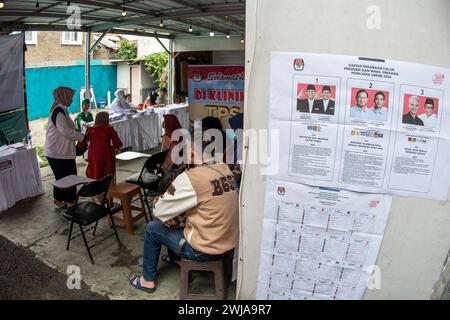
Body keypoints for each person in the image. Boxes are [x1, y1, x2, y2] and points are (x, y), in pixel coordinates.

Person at [128, 138, 239, 293]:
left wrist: (159, 200)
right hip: (229, 243)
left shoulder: (191, 178)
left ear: (192, 152)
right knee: (184, 217)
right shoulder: (224, 169)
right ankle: (176, 258)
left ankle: (147, 280)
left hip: (204, 250)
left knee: (153, 228)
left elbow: (159, 211)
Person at [44, 86, 85, 209]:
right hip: (56, 153)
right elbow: (65, 131)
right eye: (71, 97)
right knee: (69, 178)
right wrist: (82, 137)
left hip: (61, 151)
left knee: (65, 177)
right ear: (63, 97)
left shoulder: (62, 111)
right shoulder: (58, 112)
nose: (72, 100)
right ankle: (70, 202)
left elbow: (68, 129)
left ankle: (59, 199)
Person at [85, 112, 123, 180]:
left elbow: (83, 142)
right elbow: (118, 143)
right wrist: (116, 148)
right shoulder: (109, 128)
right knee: (107, 172)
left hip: (92, 153)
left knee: (94, 170)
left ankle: (94, 184)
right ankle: (109, 185)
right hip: (105, 153)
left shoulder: (90, 129)